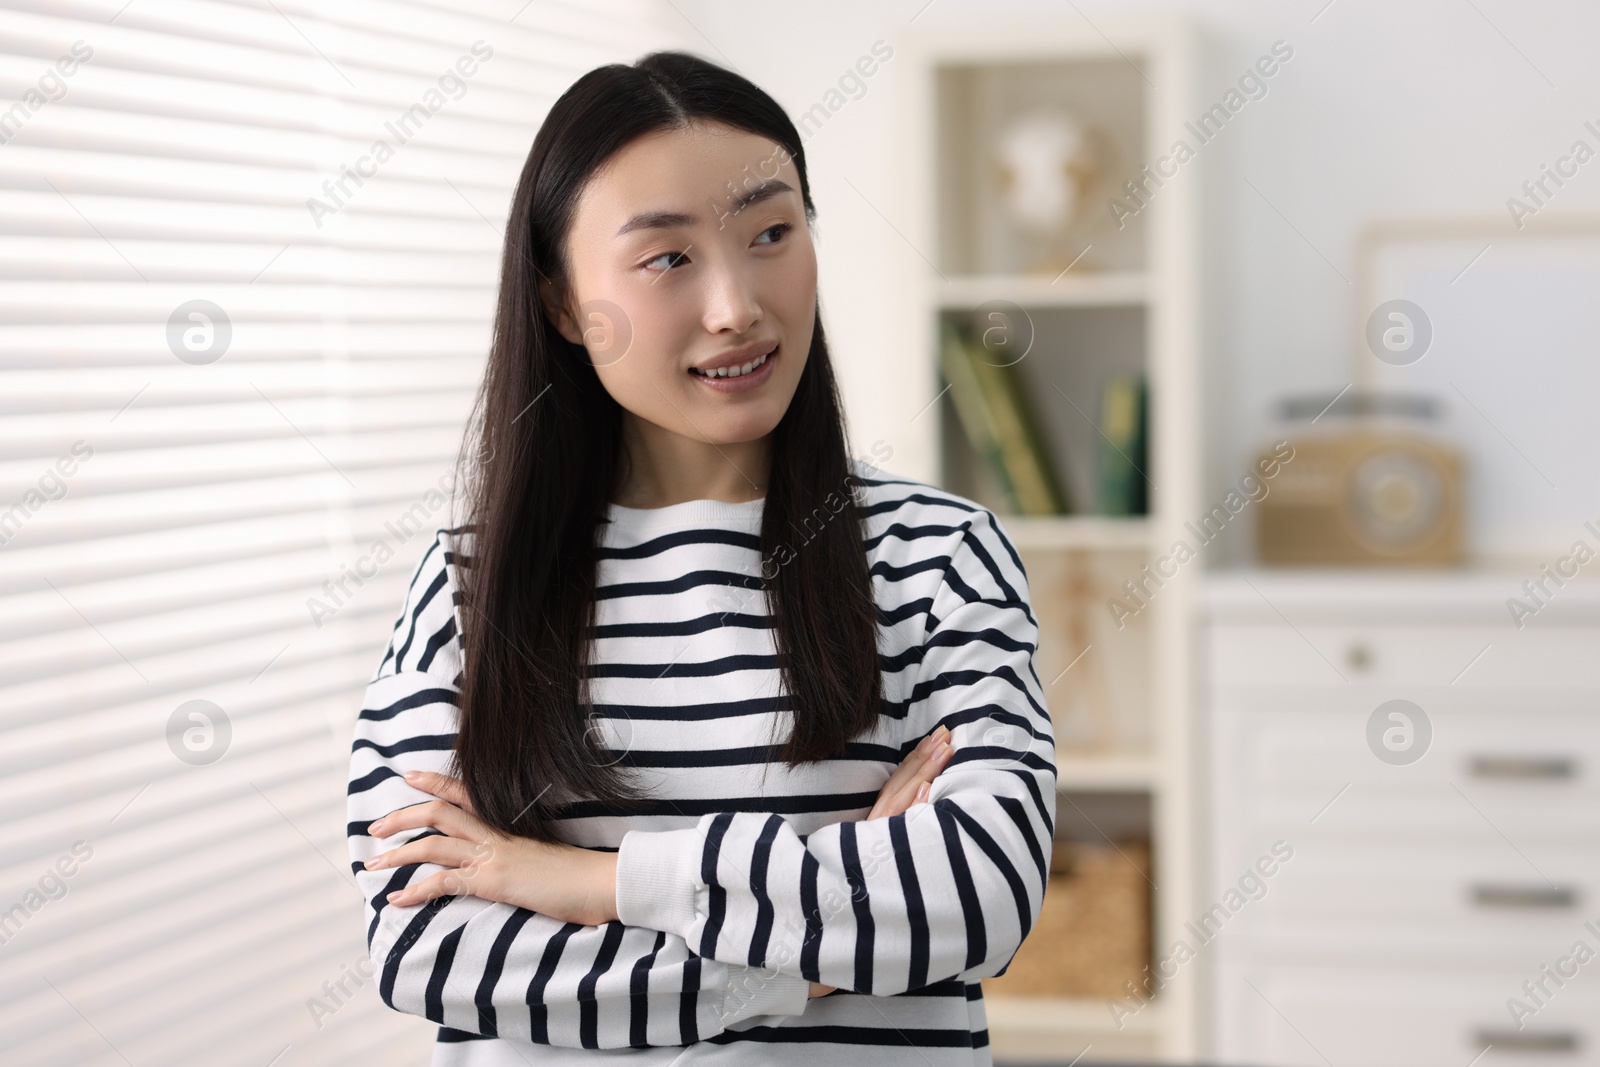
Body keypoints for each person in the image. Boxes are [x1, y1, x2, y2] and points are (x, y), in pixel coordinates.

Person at [345, 49, 1056, 1066]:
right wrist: (810, 953)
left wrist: (586, 878)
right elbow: (429, 946)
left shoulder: (937, 557)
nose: (736, 305)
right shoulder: (471, 588)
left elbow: (977, 895)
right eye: (668, 258)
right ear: (560, 302)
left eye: (771, 233)